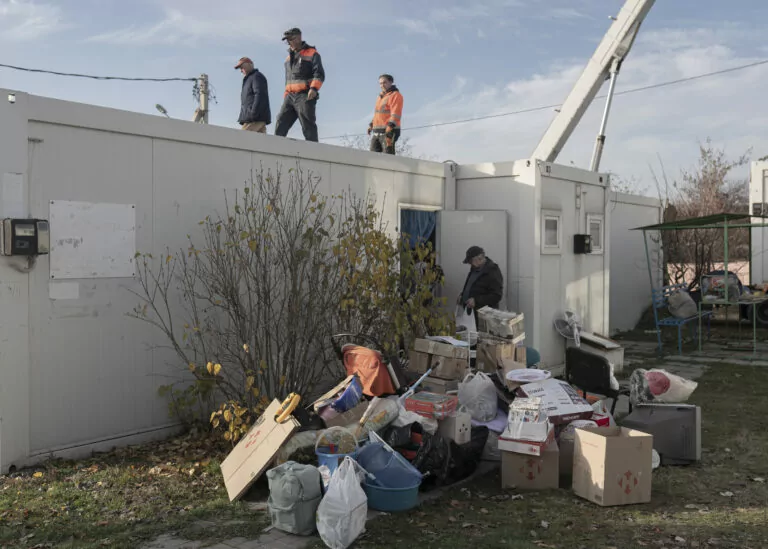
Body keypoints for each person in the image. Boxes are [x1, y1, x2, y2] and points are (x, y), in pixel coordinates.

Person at [274, 28, 325, 142]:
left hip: (305, 95)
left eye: (290, 39)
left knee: (308, 125)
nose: (288, 43)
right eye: (287, 41)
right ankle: (275, 148)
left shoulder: (312, 53)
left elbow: (319, 74)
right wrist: (286, 94)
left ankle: (313, 151)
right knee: (281, 121)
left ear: (299, 38)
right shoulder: (288, 58)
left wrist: (314, 88)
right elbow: (288, 79)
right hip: (289, 96)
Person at [458, 246, 503, 314]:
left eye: (471, 261)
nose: (470, 264)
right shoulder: (474, 268)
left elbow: (496, 295)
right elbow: (471, 285)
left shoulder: (492, 271)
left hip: (484, 315)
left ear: (479, 258)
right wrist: (462, 295)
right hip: (471, 313)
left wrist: (476, 301)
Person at [367, 74, 403, 155]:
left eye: (384, 82)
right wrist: (371, 125)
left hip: (389, 131)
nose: (382, 85)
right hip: (376, 132)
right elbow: (378, 114)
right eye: (380, 83)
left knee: (387, 158)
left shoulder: (395, 95)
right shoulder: (380, 97)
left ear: (391, 82)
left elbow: (396, 113)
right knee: (372, 157)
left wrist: (390, 127)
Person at [234, 57, 271, 133]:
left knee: (242, 140)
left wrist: (253, 113)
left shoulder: (256, 76)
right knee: (260, 143)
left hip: (254, 119)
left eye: (242, 67)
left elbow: (260, 95)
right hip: (256, 117)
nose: (241, 70)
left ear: (249, 64)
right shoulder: (250, 78)